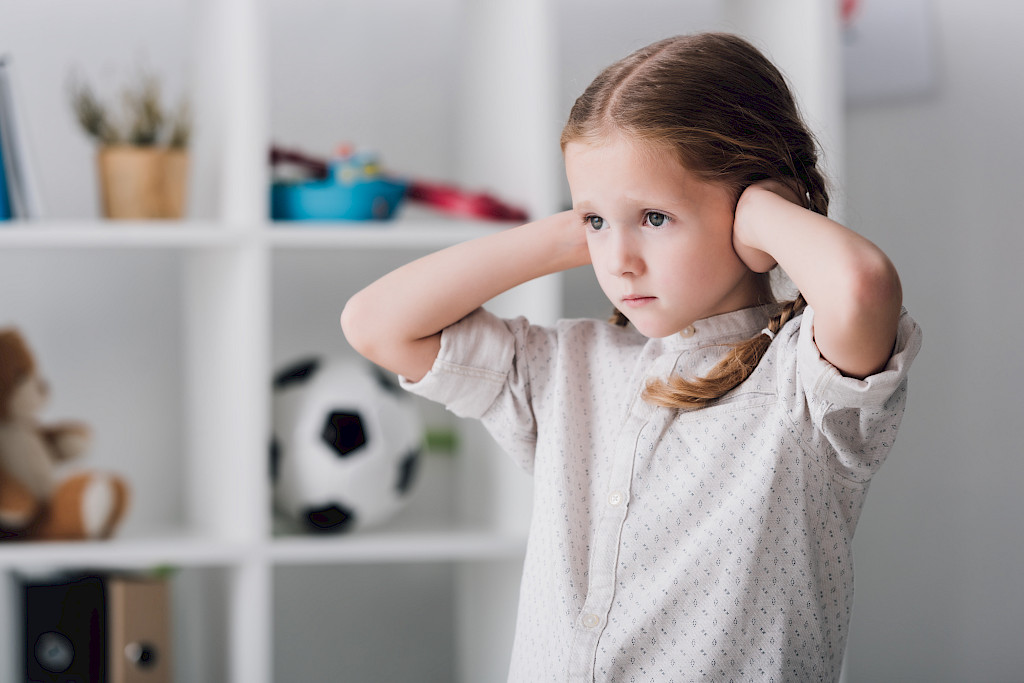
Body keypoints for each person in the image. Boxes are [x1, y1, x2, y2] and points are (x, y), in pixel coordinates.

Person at [342, 32, 922, 682]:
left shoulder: (803, 384)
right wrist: (580, 225)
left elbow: (862, 286)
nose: (618, 261)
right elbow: (375, 323)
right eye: (594, 223)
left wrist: (762, 210)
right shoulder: (570, 367)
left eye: (653, 219)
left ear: (755, 212)